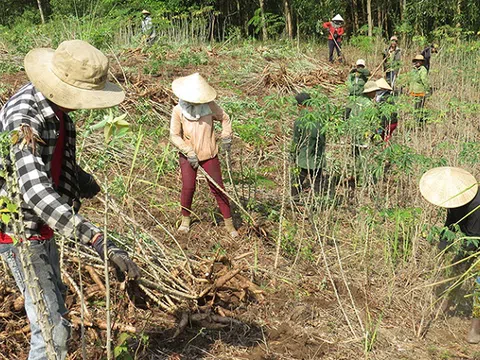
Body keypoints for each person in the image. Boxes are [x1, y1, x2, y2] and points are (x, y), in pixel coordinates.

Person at [0, 40, 140, 360]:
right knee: (52, 331)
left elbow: (50, 157)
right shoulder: (24, 118)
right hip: (18, 227)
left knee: (55, 304)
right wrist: (95, 237)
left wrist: (83, 181)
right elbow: (34, 190)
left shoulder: (57, 110)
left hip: (44, 223)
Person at [169, 73, 238, 238]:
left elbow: (225, 118)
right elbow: (174, 135)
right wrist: (188, 151)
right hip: (188, 156)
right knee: (188, 187)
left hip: (209, 153)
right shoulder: (178, 110)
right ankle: (185, 220)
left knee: (218, 188)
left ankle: (229, 224)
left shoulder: (210, 106)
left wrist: (226, 135)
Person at [419, 167, 480, 344]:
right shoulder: (455, 199)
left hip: (476, 236)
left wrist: (459, 261)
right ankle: (444, 306)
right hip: (471, 236)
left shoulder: (476, 205)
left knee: (479, 284)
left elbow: (473, 239)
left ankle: (476, 329)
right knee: (454, 271)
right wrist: (443, 246)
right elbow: (451, 224)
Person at [291, 93, 325, 199]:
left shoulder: (299, 121)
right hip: (317, 156)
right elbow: (323, 139)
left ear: (300, 106)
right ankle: (317, 200)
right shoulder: (320, 119)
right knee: (317, 180)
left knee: (298, 179)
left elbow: (296, 141)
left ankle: (294, 198)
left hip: (303, 156)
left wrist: (292, 155)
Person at [375, 78, 398, 142]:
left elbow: (385, 114)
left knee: (386, 139)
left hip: (389, 122)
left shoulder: (385, 98)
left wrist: (381, 126)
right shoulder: (381, 97)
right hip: (386, 122)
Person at [409, 54, 430, 123]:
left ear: (422, 62)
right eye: (417, 61)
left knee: (419, 107)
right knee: (415, 107)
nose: (418, 62)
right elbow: (411, 80)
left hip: (420, 91)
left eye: (420, 61)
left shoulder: (423, 70)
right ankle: (415, 120)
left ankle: (419, 121)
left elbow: (425, 81)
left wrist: (427, 90)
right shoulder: (413, 69)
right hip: (414, 91)